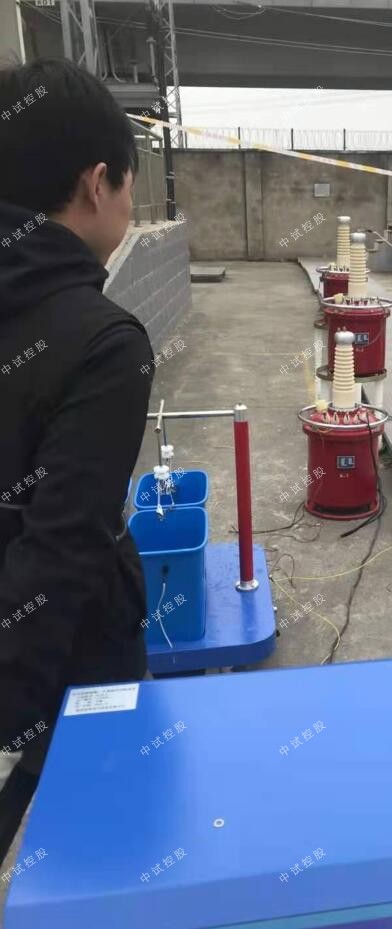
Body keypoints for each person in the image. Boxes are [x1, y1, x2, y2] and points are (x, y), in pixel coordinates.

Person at [0, 58, 153, 862]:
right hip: (70, 669)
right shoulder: (102, 343)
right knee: (107, 846)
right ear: (97, 184)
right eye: (128, 186)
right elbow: (62, 549)